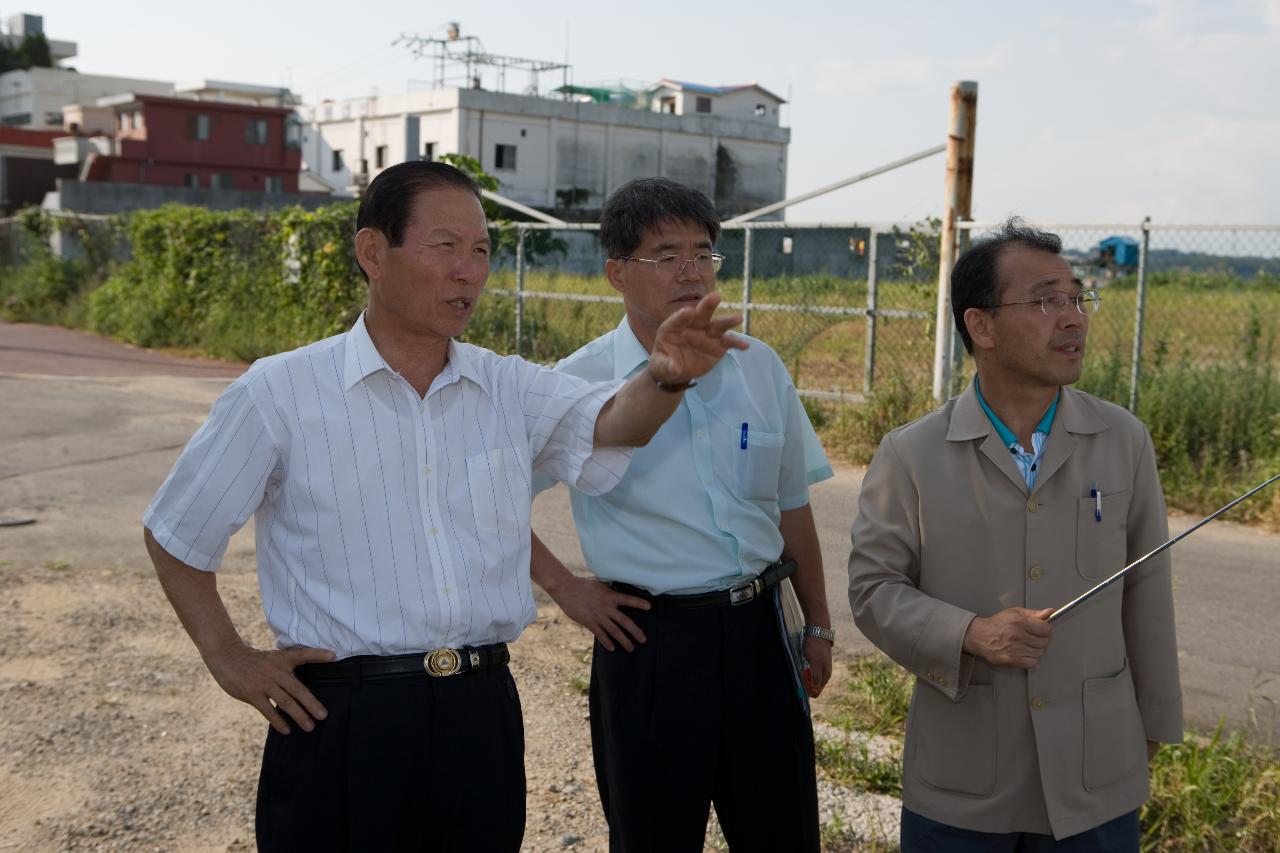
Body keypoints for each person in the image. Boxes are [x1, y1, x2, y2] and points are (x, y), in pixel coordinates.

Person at [142, 161, 747, 852]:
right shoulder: (280, 392)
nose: (470, 271)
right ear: (374, 252)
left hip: (478, 714)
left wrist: (664, 377)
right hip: (343, 718)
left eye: (482, 249)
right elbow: (177, 531)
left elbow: (614, 422)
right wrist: (228, 656)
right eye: (446, 246)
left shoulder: (506, 385)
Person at [847, 219, 1183, 850]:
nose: (1074, 318)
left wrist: (1154, 727)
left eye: (1077, 298)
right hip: (963, 783)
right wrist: (971, 634)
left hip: (1095, 775)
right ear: (982, 326)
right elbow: (873, 590)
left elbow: (1147, 586)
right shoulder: (912, 454)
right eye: (1046, 300)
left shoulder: (1122, 440)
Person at [530, 177, 834, 852]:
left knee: (784, 833)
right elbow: (491, 500)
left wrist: (817, 623)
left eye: (703, 252)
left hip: (759, 634)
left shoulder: (759, 367)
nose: (691, 271)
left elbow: (793, 505)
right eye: (666, 255)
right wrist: (567, 589)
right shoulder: (575, 382)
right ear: (616, 272)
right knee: (654, 837)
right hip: (650, 647)